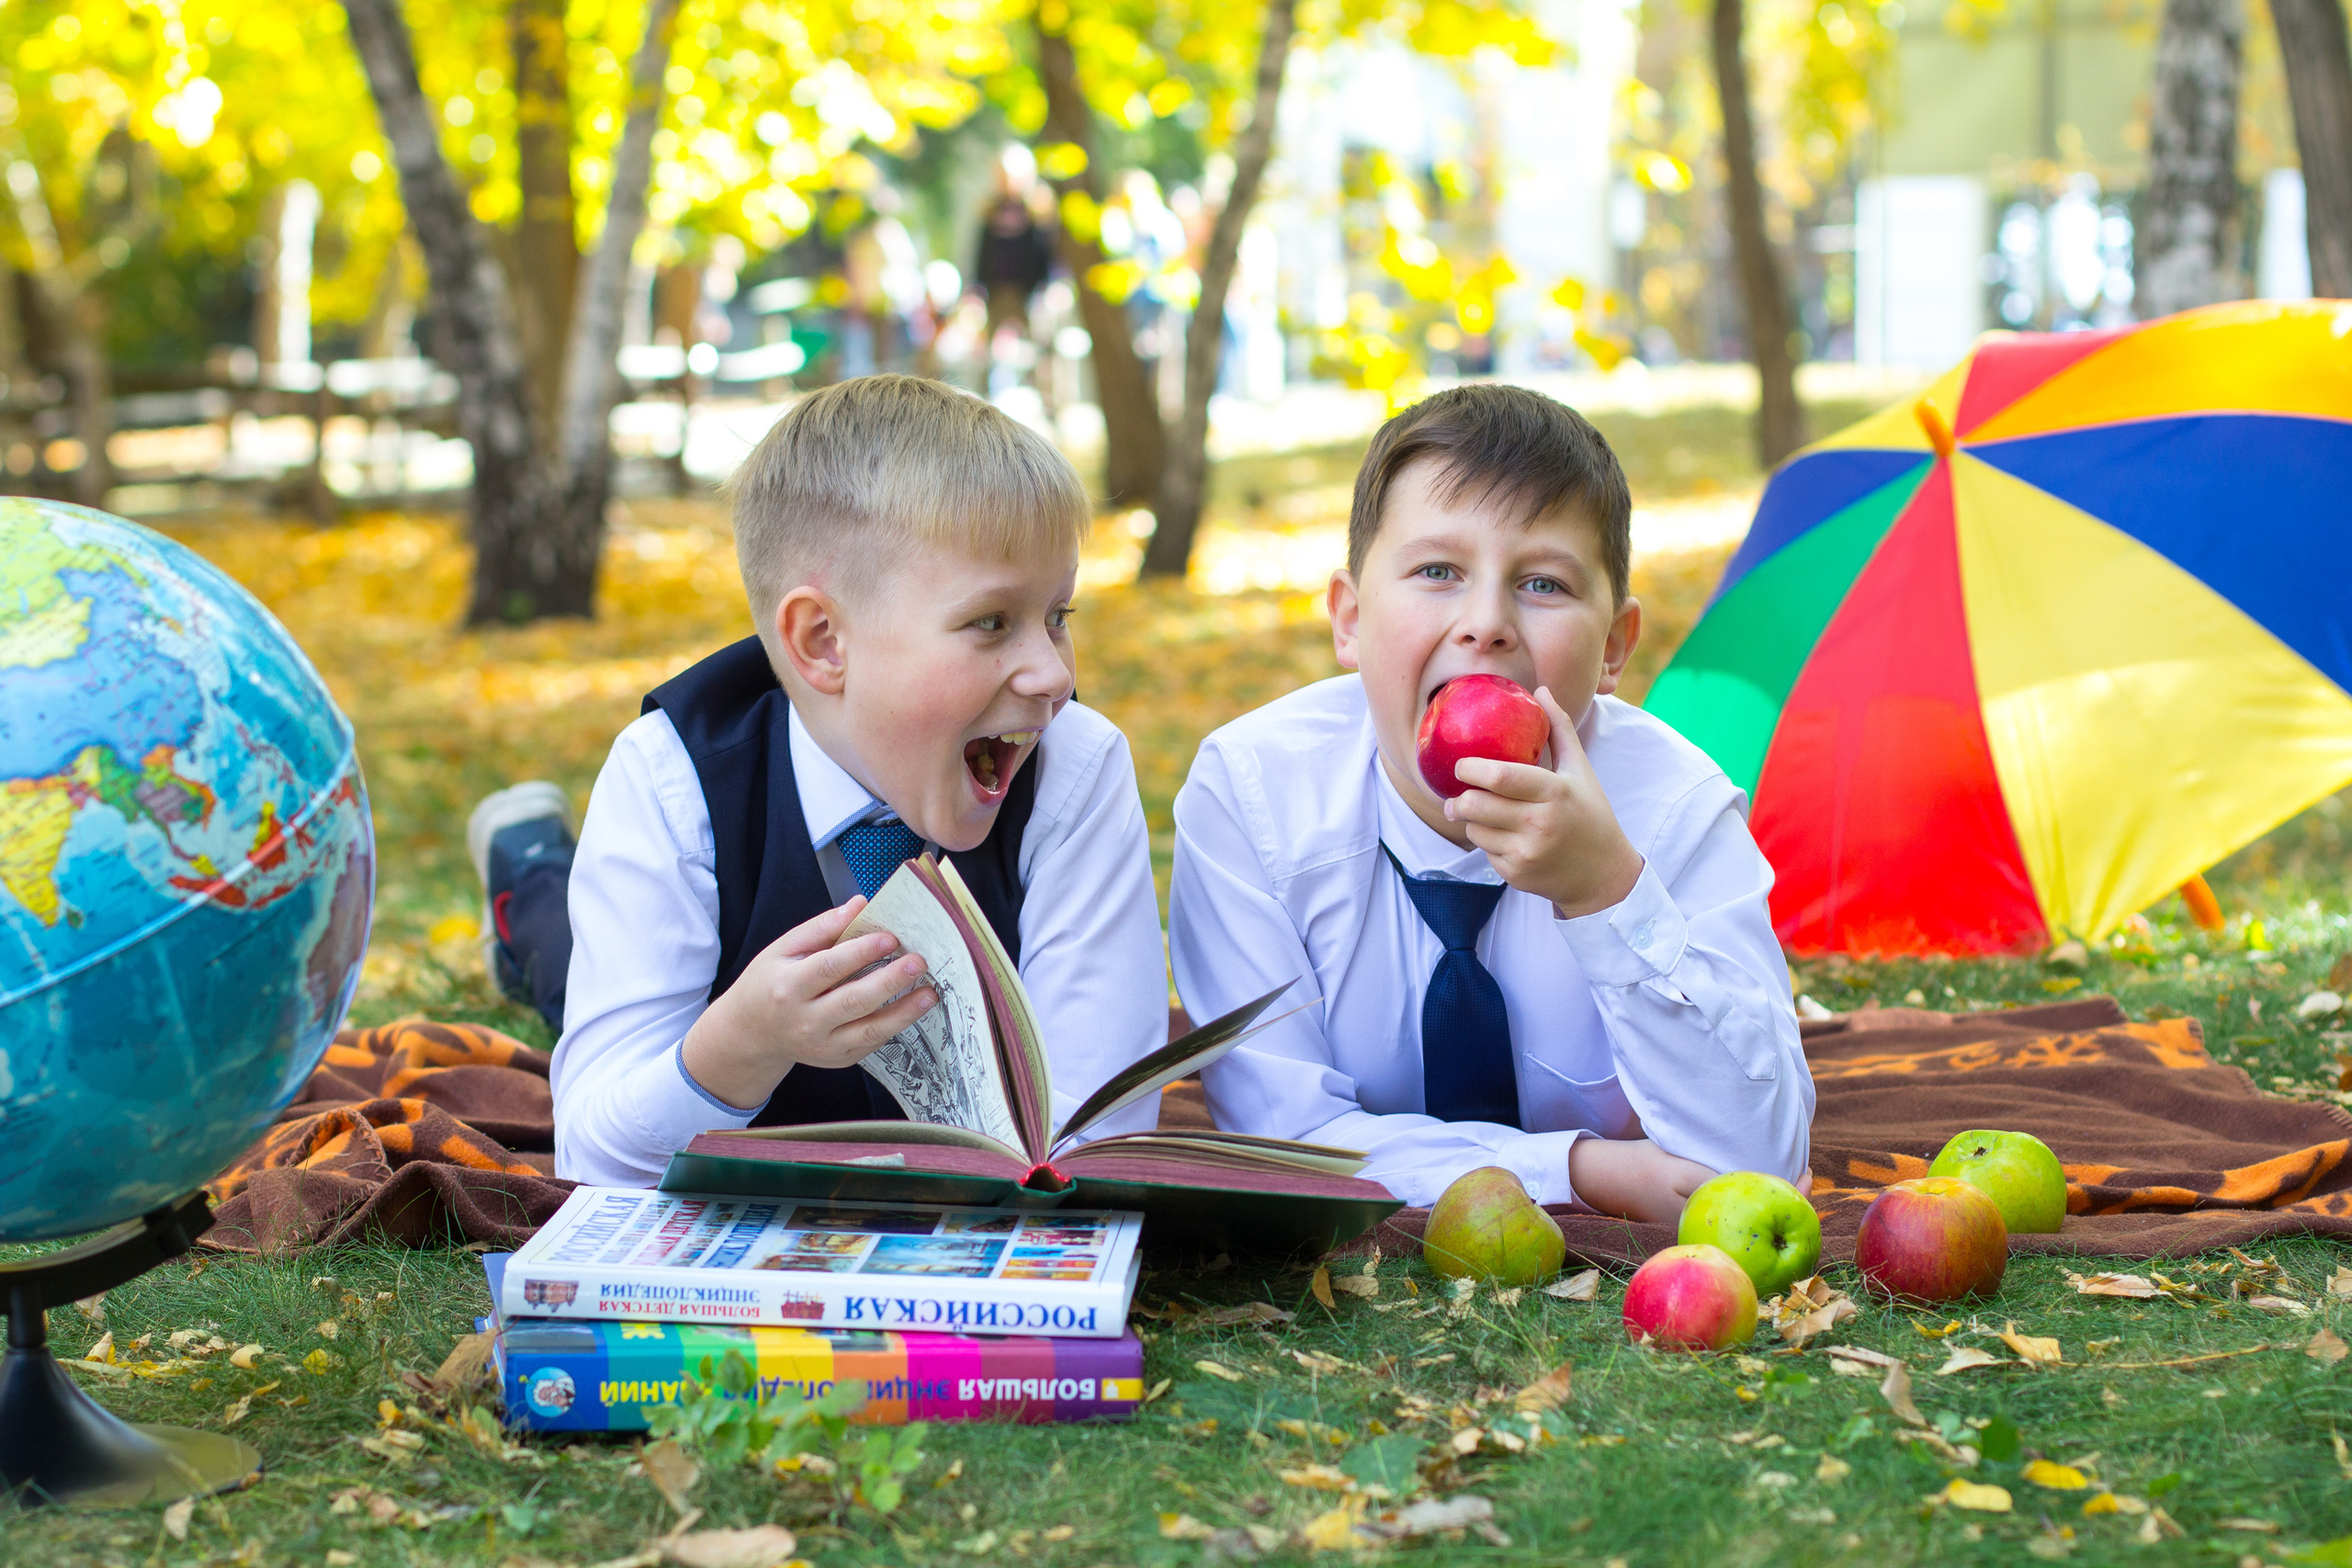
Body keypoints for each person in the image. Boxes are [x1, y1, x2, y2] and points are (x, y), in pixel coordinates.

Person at [471, 375, 1170, 1188]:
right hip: (710, 998)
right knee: (566, 963)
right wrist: (741, 1044)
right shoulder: (672, 780)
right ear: (823, 642)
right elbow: (598, 1150)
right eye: (991, 622)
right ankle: (526, 875)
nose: (1052, 675)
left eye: (1058, 616)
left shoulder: (1073, 768)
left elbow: (1094, 1137)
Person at [1166, 385, 1812, 1224]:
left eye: (1542, 583)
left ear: (1614, 647)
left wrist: (1607, 891)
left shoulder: (1674, 810)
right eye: (1438, 571)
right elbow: (1281, 1139)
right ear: (1351, 620)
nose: (1486, 623)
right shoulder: (1252, 800)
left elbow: (1758, 1158)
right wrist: (1580, 1170)